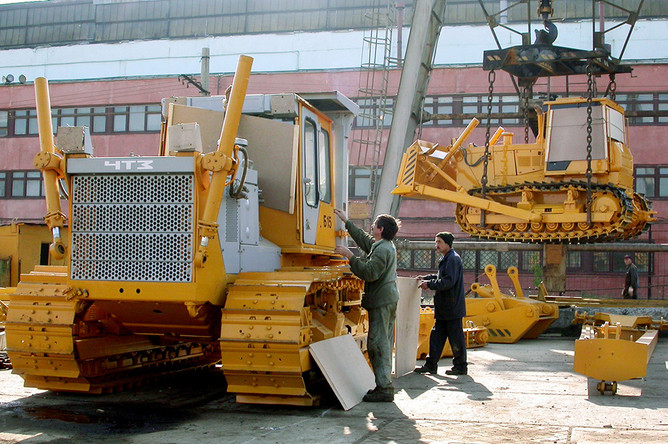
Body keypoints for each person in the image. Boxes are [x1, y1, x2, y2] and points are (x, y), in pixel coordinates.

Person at [334, 209, 400, 403]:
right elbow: (365, 241)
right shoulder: (384, 246)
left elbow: (370, 272)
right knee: (384, 342)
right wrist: (348, 222)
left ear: (380, 229)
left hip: (381, 301)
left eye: (374, 225)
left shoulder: (382, 249)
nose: (371, 227)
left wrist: (350, 257)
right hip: (387, 300)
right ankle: (384, 383)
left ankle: (384, 388)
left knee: (377, 343)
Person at [414, 232, 468, 376]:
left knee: (455, 338)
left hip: (452, 307)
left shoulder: (452, 259)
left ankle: (461, 366)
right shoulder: (447, 258)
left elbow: (448, 281)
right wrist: (426, 278)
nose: (436, 245)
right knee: (437, 336)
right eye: (436, 242)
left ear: (447, 244)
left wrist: (429, 284)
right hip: (446, 307)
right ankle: (431, 365)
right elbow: (440, 277)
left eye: (439, 242)